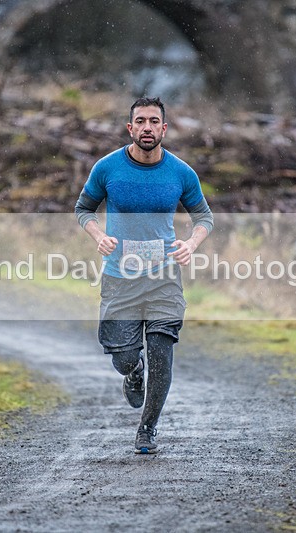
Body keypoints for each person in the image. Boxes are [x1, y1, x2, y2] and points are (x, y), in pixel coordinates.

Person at [74, 97, 213, 454]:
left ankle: (147, 429)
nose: (147, 127)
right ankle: (133, 370)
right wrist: (99, 236)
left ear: (164, 129)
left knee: (162, 350)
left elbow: (204, 218)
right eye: (141, 121)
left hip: (164, 277)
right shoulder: (107, 169)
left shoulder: (181, 172)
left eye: (154, 121)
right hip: (120, 278)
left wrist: (191, 245)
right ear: (130, 128)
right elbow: (83, 209)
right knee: (122, 357)